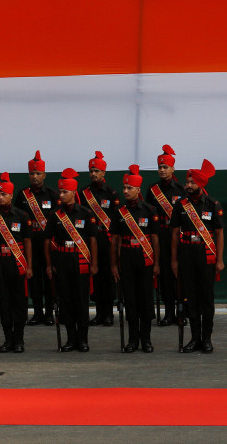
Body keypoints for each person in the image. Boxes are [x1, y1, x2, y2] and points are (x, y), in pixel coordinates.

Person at [171, 159, 224, 353]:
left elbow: (219, 233)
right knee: (190, 298)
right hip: (186, 255)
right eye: (187, 182)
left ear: (201, 184)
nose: (188, 186)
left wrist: (219, 260)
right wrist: (174, 260)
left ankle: (207, 339)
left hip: (207, 256)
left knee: (206, 299)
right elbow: (175, 234)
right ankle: (194, 338)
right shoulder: (180, 206)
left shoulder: (212, 204)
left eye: (192, 183)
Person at [44, 169, 98, 352]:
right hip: (62, 260)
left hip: (80, 260)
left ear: (73, 193)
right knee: (66, 300)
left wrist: (95, 263)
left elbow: (92, 239)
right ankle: (70, 339)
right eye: (60, 192)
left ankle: (82, 339)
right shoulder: (55, 215)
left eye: (64, 192)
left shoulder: (85, 213)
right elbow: (46, 241)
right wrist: (50, 264)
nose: (61, 195)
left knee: (81, 301)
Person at [110, 165, 159, 353]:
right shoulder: (119, 211)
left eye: (129, 188)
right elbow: (114, 240)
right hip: (127, 260)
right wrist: (114, 264)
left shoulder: (149, 210)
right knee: (129, 299)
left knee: (145, 299)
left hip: (145, 260)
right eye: (124, 187)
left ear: (138, 189)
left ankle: (146, 339)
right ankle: (132, 340)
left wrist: (157, 263)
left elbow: (155, 239)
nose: (125, 191)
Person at [0, 173, 33, 352]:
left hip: (17, 263)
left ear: (11, 196)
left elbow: (27, 242)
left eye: (4, 194)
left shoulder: (22, 215)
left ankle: (19, 339)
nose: (0, 197)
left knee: (18, 302)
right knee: (3, 302)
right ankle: (7, 339)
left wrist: (29, 265)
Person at [15, 150, 58, 326]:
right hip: (29, 245)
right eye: (32, 173)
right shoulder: (22, 195)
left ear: (44, 175)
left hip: (48, 245)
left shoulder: (53, 194)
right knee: (33, 282)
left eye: (38, 173)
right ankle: (37, 312)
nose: (34, 176)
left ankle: (49, 313)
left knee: (49, 279)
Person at [145, 145, 185, 326]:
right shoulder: (152, 190)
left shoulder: (182, 189)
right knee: (165, 277)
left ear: (172, 169)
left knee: (181, 277)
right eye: (160, 167)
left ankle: (182, 313)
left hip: (178, 238)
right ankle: (169, 313)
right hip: (160, 239)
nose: (162, 170)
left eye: (165, 167)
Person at [80, 151, 119, 326]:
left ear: (104, 173)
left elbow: (117, 218)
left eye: (97, 170)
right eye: (91, 171)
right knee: (95, 278)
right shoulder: (83, 193)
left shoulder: (112, 193)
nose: (93, 174)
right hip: (91, 241)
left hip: (108, 240)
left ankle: (109, 313)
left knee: (108, 277)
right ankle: (99, 313)